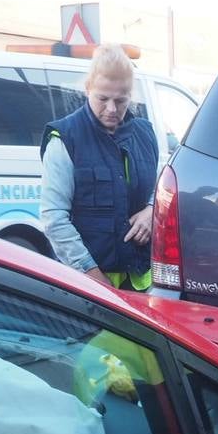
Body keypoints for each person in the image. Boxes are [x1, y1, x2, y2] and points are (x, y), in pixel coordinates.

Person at [39, 44, 157, 290]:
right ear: (87, 89)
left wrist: (151, 211)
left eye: (121, 100)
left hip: (140, 283)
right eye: (102, 99)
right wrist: (95, 279)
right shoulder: (65, 139)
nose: (112, 109)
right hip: (87, 287)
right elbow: (54, 219)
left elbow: (162, 190)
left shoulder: (146, 134)